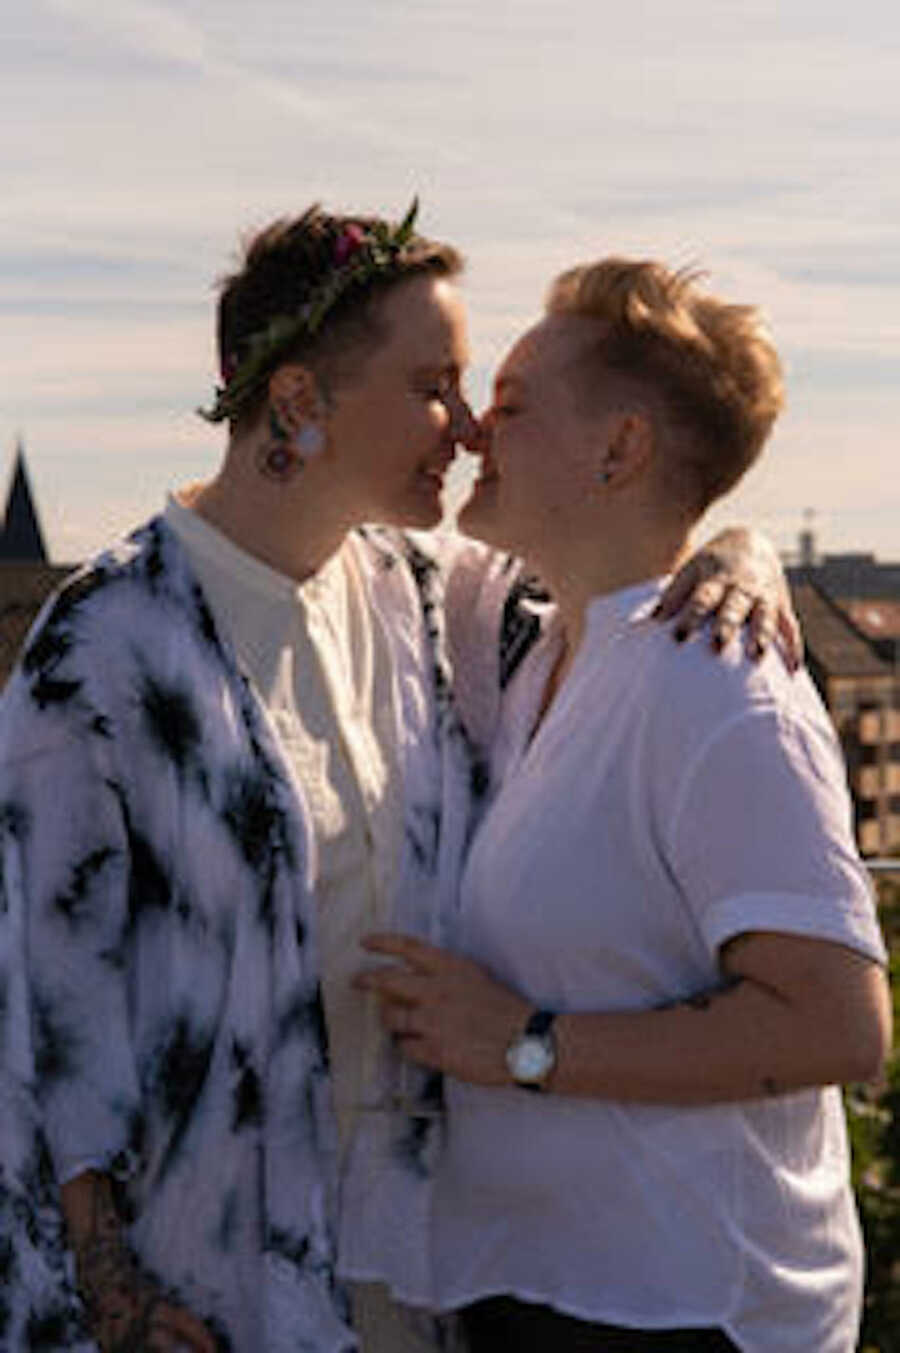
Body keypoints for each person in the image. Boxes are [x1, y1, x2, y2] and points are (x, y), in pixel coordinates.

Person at [0, 207, 793, 1353]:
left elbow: (613, 569)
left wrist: (740, 550)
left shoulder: (420, 593)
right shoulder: (106, 645)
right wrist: (108, 1290)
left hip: (421, 1270)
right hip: (209, 1284)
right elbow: (41, 995)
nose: (468, 428)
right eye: (435, 386)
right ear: (299, 400)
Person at [359, 259, 892, 1352]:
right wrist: (738, 546)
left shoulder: (721, 684)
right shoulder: (532, 641)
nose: (470, 433)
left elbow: (838, 1023)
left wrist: (525, 1045)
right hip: (543, 1293)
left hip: (692, 1315)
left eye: (510, 406)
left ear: (621, 449)